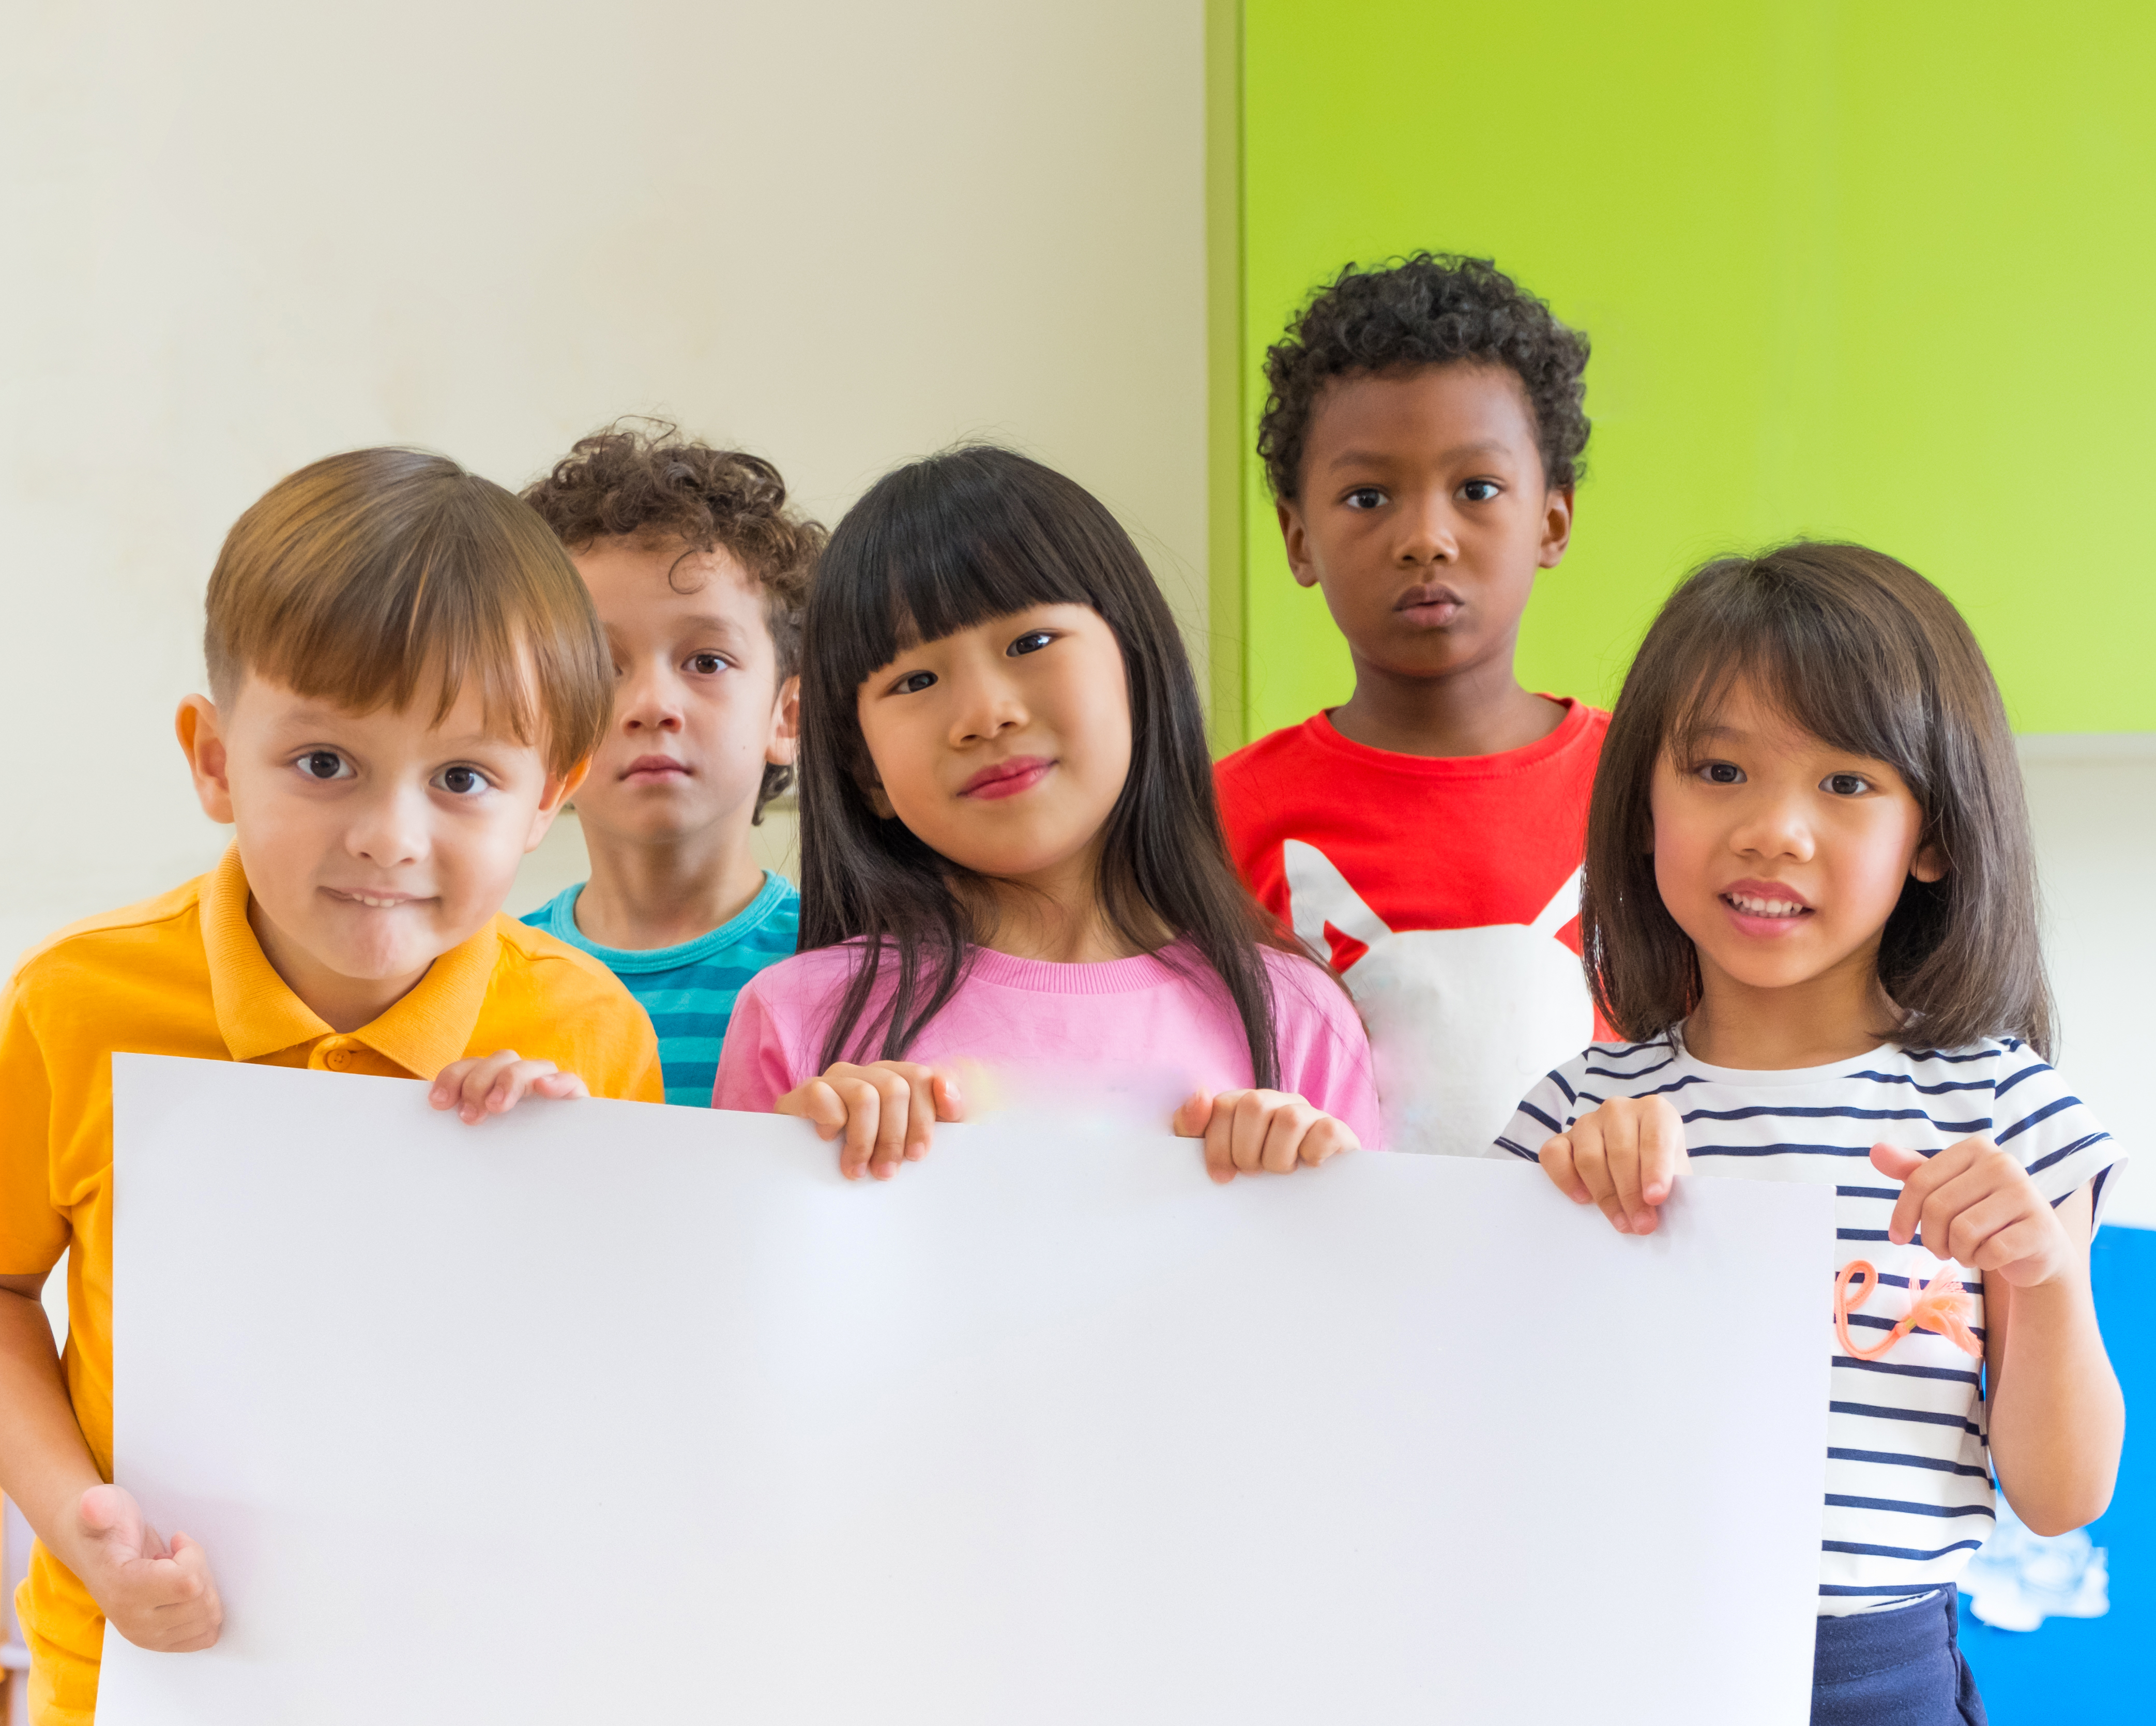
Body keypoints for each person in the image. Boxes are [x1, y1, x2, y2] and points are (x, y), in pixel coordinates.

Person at [0, 449, 662, 1726]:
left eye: (463, 778)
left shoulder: (579, 1028)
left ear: (555, 791)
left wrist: (556, 1186)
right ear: (210, 754)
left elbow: (614, 1387)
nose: (388, 833)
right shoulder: (80, 1002)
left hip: (457, 1713)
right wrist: (73, 1513)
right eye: (323, 758)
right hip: (138, 1715)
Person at [1502, 541, 2120, 1726]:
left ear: (1927, 832)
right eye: (1715, 768)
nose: (1770, 829)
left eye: (1844, 784)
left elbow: (2056, 1489)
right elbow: (1503, 1477)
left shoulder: (2010, 1117)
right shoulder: (1561, 1118)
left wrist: (2033, 1271)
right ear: (1639, 798)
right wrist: (1573, 1222)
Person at [712, 445, 1378, 1181]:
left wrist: (1312, 1195)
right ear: (863, 769)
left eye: (1030, 642)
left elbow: (1367, 1289)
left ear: (1138, 670)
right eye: (916, 680)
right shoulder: (794, 1018)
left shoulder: (1295, 1015)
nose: (985, 715)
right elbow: (744, 1288)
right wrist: (804, 1167)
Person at [1214, 254, 1606, 1156]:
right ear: (1296, 535)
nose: (1424, 537)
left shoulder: (1659, 789)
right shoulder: (1217, 818)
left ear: (1551, 518)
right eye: (1367, 496)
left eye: (1475, 490)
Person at [517, 422, 818, 1106]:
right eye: (600, 665)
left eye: (706, 661)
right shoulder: (479, 978)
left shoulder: (855, 976)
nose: (651, 705)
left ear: (788, 716)